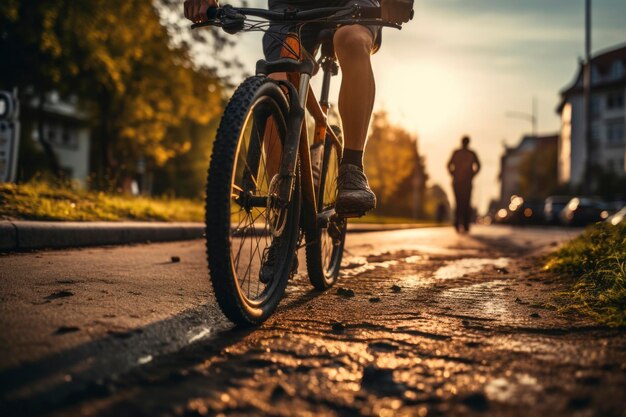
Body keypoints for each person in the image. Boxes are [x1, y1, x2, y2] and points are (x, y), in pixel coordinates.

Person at [184, 0, 412, 217]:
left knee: (352, 40)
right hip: (290, 4)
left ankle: (352, 168)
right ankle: (282, 210)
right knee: (278, 81)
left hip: (352, 3)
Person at [447, 135, 480, 233]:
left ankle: (462, 223)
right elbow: (449, 165)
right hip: (461, 182)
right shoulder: (467, 153)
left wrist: (454, 174)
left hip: (462, 182)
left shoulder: (466, 153)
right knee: (462, 202)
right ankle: (461, 223)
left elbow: (449, 165)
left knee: (462, 202)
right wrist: (454, 174)